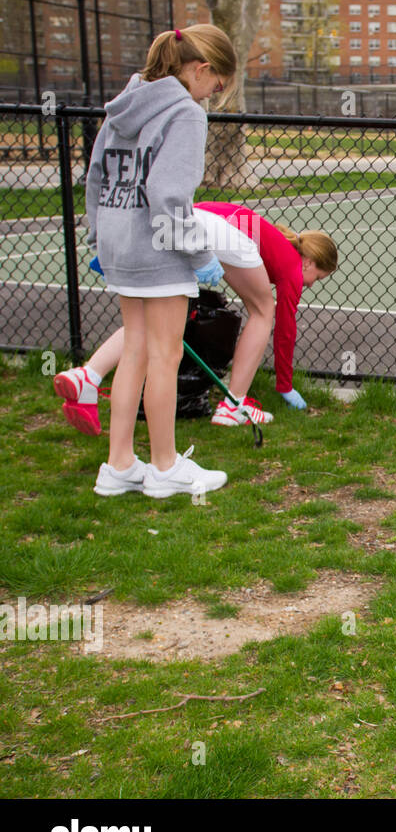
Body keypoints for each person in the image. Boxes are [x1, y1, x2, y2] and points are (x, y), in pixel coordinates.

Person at [79, 25, 236, 499]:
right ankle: (165, 468)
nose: (217, 93)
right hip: (160, 251)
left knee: (135, 354)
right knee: (165, 358)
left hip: (121, 247)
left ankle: (119, 464)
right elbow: (167, 195)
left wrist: (98, 240)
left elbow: (95, 179)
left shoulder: (125, 105)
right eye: (218, 82)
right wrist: (202, 257)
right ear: (200, 68)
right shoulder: (185, 114)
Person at [56, 204, 339, 434]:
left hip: (175, 223)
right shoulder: (292, 267)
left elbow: (205, 210)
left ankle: (87, 375)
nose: (311, 284)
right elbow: (286, 330)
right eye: (318, 277)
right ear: (309, 262)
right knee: (264, 311)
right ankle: (234, 405)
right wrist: (285, 384)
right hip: (206, 231)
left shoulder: (271, 239)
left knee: (148, 318)